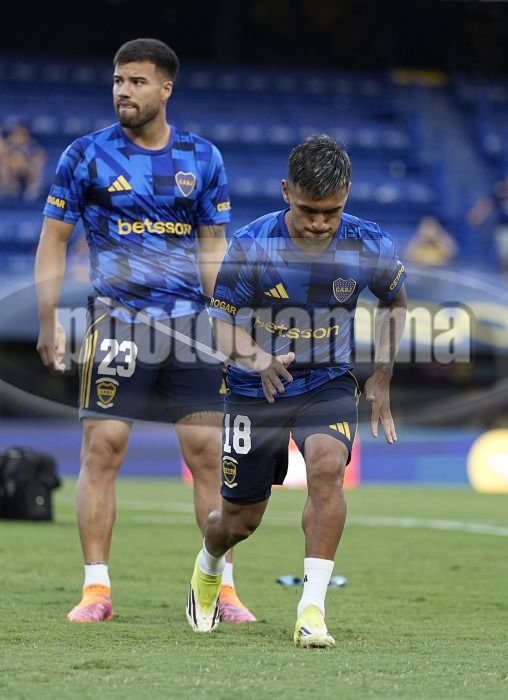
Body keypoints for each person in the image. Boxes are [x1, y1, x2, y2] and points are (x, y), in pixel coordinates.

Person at [34, 38, 255, 624]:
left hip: (190, 327)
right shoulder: (85, 155)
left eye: (136, 82)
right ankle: (95, 590)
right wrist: (48, 318)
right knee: (103, 448)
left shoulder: (202, 158)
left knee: (208, 455)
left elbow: (214, 251)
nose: (123, 91)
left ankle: (221, 590)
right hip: (117, 320)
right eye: (117, 81)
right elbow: (54, 238)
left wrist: (228, 324)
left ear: (165, 88)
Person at [185, 133, 407, 647]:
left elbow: (394, 303)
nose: (320, 223)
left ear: (346, 197)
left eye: (332, 212)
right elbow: (221, 326)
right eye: (309, 210)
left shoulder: (369, 244)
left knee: (327, 469)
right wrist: (260, 359)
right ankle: (209, 565)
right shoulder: (251, 245)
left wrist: (382, 374)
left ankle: (312, 610)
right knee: (239, 521)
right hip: (252, 387)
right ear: (286, 192)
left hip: (326, 380)